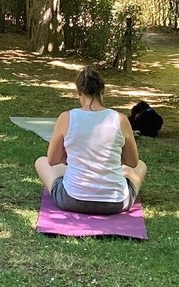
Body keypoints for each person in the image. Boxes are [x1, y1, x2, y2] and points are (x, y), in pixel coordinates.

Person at [35, 68, 147, 215]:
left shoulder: (66, 118)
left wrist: (71, 157)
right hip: (116, 203)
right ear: (103, 91)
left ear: (79, 92)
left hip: (72, 200)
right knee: (141, 165)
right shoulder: (120, 119)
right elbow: (133, 162)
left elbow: (52, 160)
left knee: (41, 162)